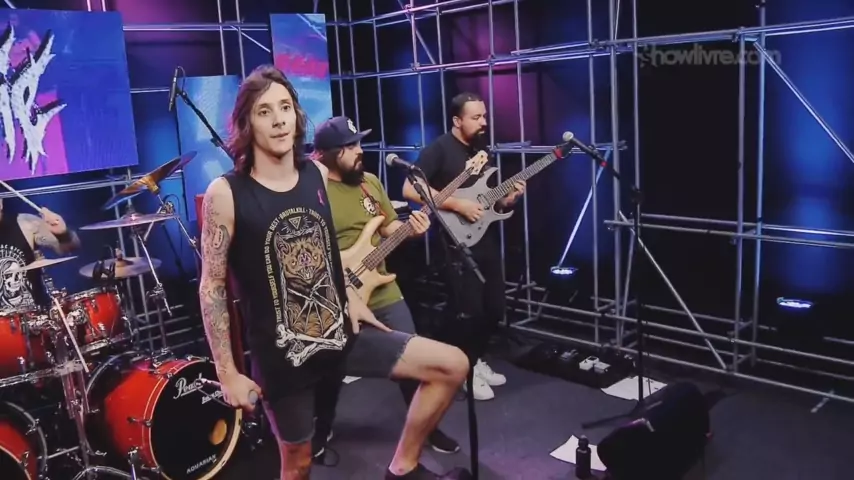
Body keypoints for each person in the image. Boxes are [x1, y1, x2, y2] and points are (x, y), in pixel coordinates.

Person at [198, 65, 470, 480]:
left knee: (452, 365)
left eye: (285, 107)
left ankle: (402, 468)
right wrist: (226, 372)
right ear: (246, 123)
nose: (278, 120)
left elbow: (325, 253)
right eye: (264, 111)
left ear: (297, 115)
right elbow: (212, 286)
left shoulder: (316, 175)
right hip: (284, 358)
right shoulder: (226, 193)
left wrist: (349, 297)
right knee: (298, 465)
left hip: (341, 335)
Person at [311, 115, 463, 457]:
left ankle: (426, 427)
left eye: (358, 143)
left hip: (381, 287)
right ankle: (321, 428)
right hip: (336, 292)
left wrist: (412, 229)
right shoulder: (314, 191)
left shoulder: (369, 182)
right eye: (350, 147)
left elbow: (388, 227)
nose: (359, 151)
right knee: (331, 367)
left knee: (412, 354)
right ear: (327, 153)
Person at [402, 92, 525, 401]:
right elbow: (410, 189)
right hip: (455, 243)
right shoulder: (439, 149)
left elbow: (486, 200)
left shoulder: (481, 150)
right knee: (468, 310)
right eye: (476, 117)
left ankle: (475, 359)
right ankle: (463, 370)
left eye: (485, 116)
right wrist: (457, 205)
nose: (484, 122)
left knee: (494, 308)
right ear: (457, 120)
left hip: (485, 238)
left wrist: (508, 199)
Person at [0, 198, 81, 310]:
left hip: (36, 314)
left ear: (0, 203)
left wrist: (63, 234)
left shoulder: (26, 223)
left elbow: (70, 247)